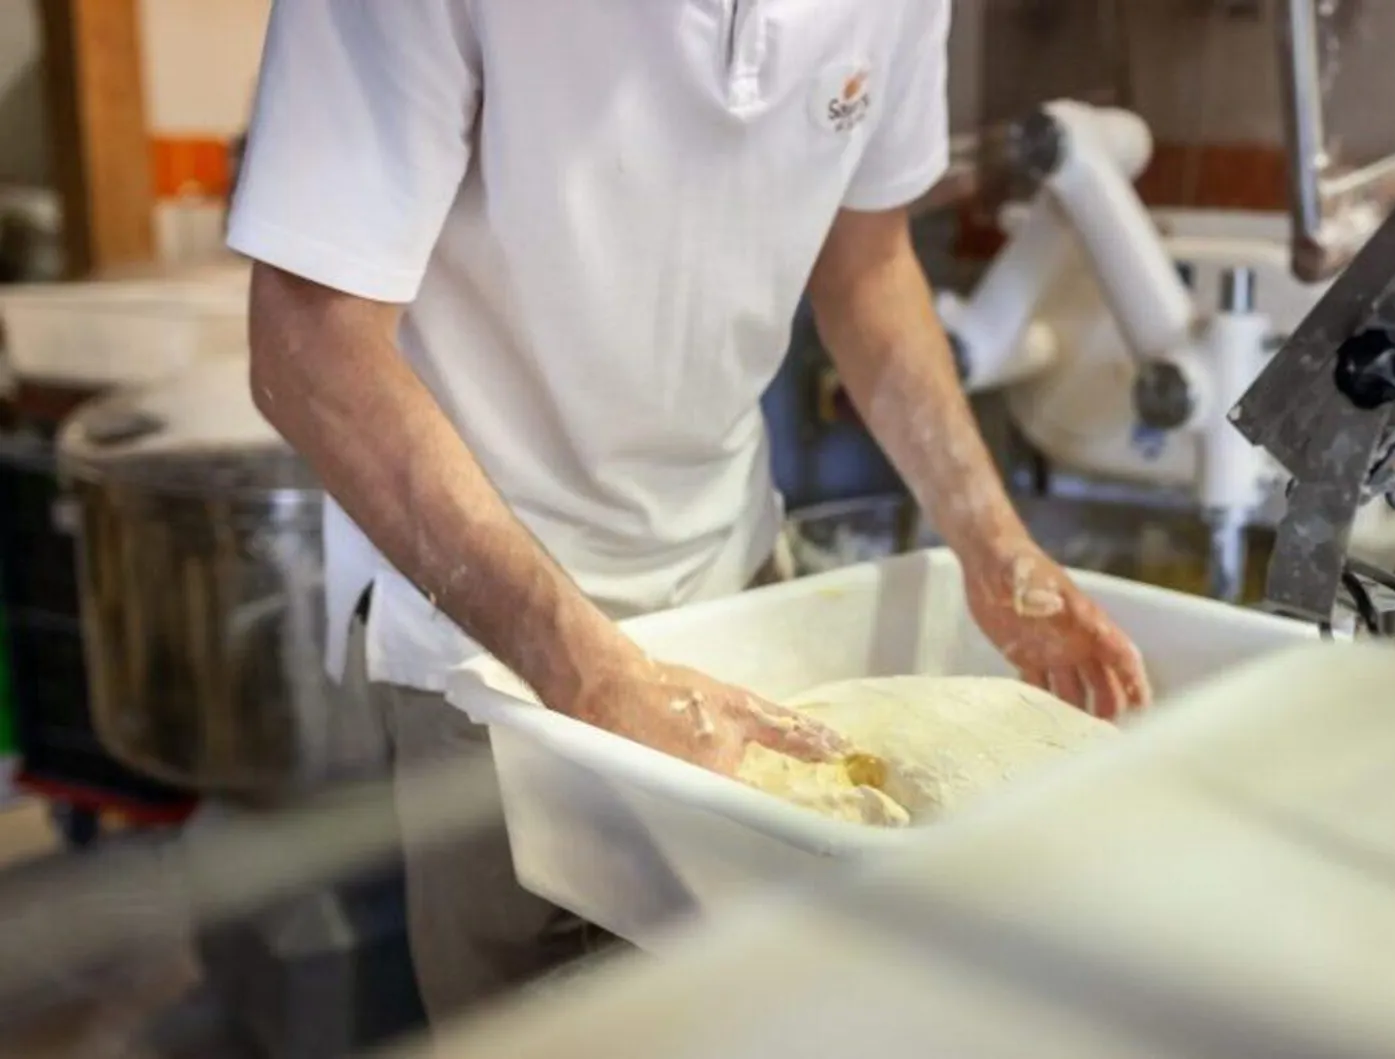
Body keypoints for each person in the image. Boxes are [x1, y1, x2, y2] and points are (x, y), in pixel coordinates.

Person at [229, 0, 1150, 1024]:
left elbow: (870, 263)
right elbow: (310, 346)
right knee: (547, 1020)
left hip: (737, 577)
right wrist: (590, 675)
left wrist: (994, 548)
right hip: (484, 638)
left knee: (773, 1013)